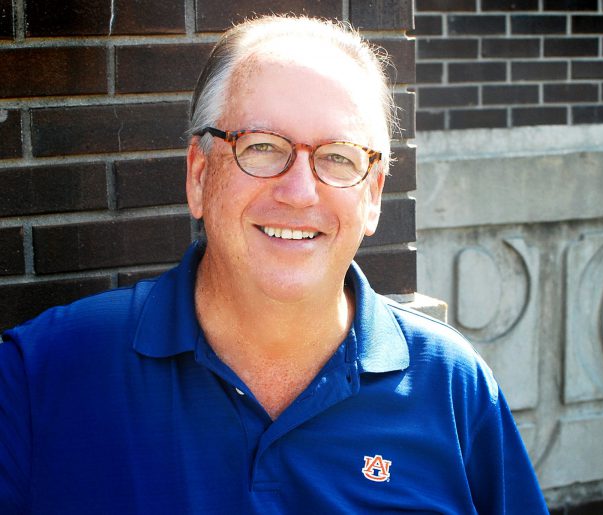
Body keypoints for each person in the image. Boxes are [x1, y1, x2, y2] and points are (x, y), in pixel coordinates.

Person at [0, 15, 547, 514]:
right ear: (199, 175)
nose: (299, 191)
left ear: (374, 197)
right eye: (261, 146)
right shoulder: (38, 377)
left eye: (338, 157)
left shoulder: (454, 388)